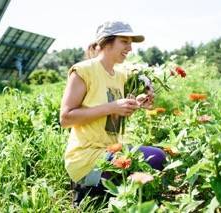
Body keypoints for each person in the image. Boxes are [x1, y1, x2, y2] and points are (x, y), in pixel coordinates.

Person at [60, 21, 166, 207]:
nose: (130, 48)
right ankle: (88, 186)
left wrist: (135, 104)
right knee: (155, 158)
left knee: (156, 156)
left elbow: (112, 116)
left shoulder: (118, 75)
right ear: (105, 42)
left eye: (130, 42)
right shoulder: (84, 71)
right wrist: (112, 107)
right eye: (124, 41)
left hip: (109, 150)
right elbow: (66, 118)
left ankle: (103, 194)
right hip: (86, 156)